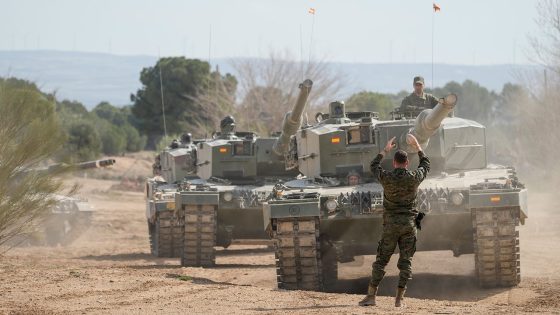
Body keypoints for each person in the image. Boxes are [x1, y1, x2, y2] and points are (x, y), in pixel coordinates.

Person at [359, 134, 430, 307]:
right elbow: (426, 166)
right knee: (406, 262)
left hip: (390, 226)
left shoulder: (387, 178)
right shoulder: (414, 177)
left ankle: (371, 296)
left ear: (394, 163)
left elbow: (374, 165)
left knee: (381, 261)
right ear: (407, 163)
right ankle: (399, 300)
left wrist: (384, 150)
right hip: (408, 225)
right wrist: (418, 146)